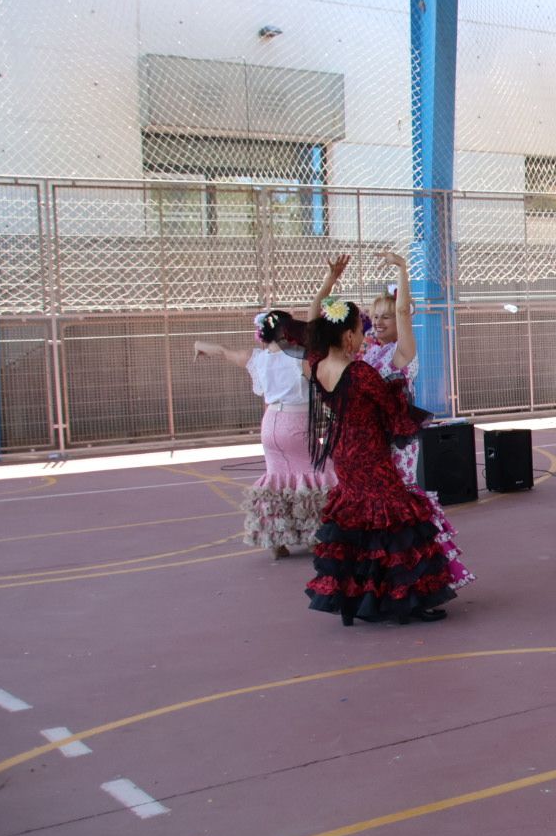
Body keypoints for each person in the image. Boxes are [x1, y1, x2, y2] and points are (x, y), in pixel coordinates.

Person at [316, 252, 473, 588]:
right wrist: (330, 285)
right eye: (376, 317)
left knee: (399, 509)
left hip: (395, 444)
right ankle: (385, 580)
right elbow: (323, 330)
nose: (382, 322)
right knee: (377, 513)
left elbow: (404, 310)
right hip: (368, 445)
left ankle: (413, 579)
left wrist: (403, 270)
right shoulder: (366, 355)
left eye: (387, 316)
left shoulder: (402, 353)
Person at [303, 297, 457, 626]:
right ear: (347, 337)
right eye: (361, 330)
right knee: (395, 522)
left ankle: (358, 598)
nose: (365, 336)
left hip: (343, 453)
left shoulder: (317, 365)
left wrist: (326, 288)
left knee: (357, 520)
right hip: (369, 453)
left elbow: (312, 325)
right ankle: (405, 599)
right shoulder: (358, 372)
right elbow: (393, 412)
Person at [194, 310, 334, 559]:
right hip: (298, 422)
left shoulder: (257, 358)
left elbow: (226, 352)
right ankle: (314, 535)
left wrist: (201, 346)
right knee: (315, 474)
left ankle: (277, 539)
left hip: (270, 426)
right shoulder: (300, 359)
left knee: (277, 479)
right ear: (288, 332)